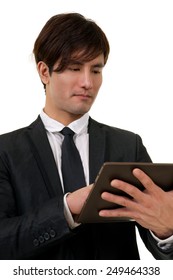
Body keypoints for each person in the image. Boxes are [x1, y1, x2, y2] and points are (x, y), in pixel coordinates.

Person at [0, 12, 173, 260]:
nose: (87, 82)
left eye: (96, 70)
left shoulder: (127, 145)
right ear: (44, 72)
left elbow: (159, 246)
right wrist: (67, 209)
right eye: (74, 68)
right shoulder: (6, 151)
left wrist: (166, 229)